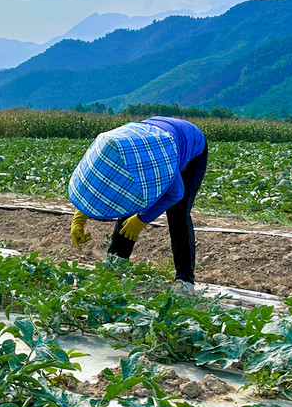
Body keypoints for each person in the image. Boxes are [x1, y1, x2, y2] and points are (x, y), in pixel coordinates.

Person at [67, 116, 208, 288]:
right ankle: (113, 271)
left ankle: (185, 281)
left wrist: (140, 221)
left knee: (178, 213)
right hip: (152, 131)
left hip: (189, 145)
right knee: (127, 204)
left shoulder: (158, 159)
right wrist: (79, 218)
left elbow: (175, 194)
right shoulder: (107, 152)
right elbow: (93, 185)